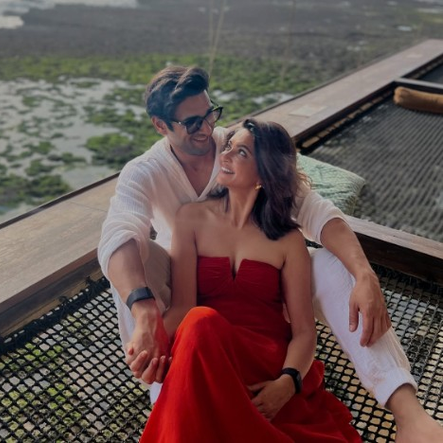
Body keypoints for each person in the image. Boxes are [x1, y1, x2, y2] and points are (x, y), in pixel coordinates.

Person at [98, 65, 443, 443]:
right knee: (133, 256)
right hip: (190, 291)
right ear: (161, 126)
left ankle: (408, 413)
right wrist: (144, 312)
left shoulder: (238, 149)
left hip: (263, 306)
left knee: (333, 264)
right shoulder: (148, 174)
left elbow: (319, 214)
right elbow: (118, 232)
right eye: (192, 122)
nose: (208, 130)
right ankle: (160, 376)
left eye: (211, 114)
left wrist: (365, 275)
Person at [139, 118, 362, 442]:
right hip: (208, 352)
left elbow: (303, 331)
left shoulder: (288, 239)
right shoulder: (191, 218)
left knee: (201, 324)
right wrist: (150, 343)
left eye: (240, 152)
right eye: (228, 146)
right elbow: (183, 307)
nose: (225, 155)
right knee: (200, 320)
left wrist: (288, 382)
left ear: (264, 174)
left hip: (265, 363)